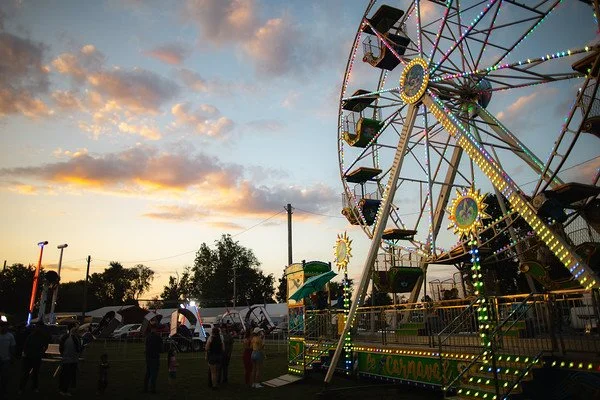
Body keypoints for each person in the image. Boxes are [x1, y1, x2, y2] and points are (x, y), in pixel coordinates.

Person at [18, 321, 50, 394]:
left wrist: (42, 352)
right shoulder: (32, 335)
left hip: (36, 357)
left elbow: (46, 345)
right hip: (29, 357)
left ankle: (33, 387)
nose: (38, 328)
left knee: (35, 373)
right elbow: (26, 346)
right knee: (26, 373)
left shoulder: (41, 336)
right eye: (38, 326)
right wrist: (26, 353)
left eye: (40, 327)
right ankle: (22, 388)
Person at [59, 323, 83, 396]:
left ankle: (64, 388)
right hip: (70, 359)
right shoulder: (73, 338)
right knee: (67, 375)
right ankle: (64, 389)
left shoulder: (66, 337)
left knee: (67, 375)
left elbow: (61, 348)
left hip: (68, 359)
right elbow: (78, 349)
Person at [143, 326, 162, 394]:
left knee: (148, 373)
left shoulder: (148, 337)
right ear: (156, 330)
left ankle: (145, 388)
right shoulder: (158, 337)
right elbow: (160, 349)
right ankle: (152, 389)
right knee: (154, 374)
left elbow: (146, 346)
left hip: (148, 357)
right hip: (155, 357)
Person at [0, 318, 16, 400]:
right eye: (2, 326)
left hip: (6, 359)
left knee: (4, 377)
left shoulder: (10, 336)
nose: (3, 328)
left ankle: (3, 391)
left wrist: (12, 357)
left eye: (5, 326)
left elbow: (12, 348)